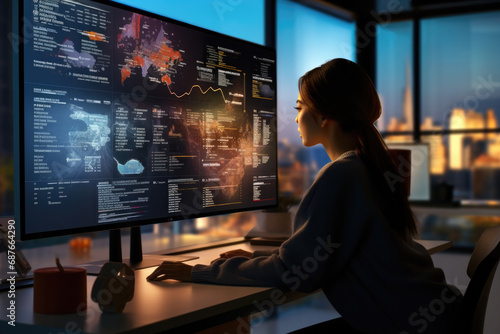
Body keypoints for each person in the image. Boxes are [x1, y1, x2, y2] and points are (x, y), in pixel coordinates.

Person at [147, 58, 462, 333]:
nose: (296, 119)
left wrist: (199, 271)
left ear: (324, 116)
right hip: (436, 315)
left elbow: (297, 273)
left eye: (300, 108)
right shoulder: (368, 167)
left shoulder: (341, 175)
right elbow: (313, 258)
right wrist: (257, 259)